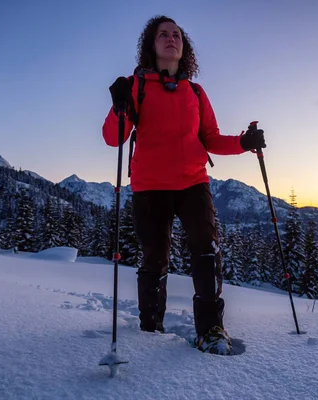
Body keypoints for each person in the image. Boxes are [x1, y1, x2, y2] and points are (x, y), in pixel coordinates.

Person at [102, 15, 265, 355]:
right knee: (154, 258)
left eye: (176, 34)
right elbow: (112, 138)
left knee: (206, 251)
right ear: (152, 44)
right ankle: (150, 326)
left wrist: (244, 142)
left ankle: (211, 329)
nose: (170, 38)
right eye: (163, 34)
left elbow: (210, 138)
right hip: (150, 185)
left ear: (183, 46)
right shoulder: (136, 85)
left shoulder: (195, 91)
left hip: (193, 181)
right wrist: (118, 105)